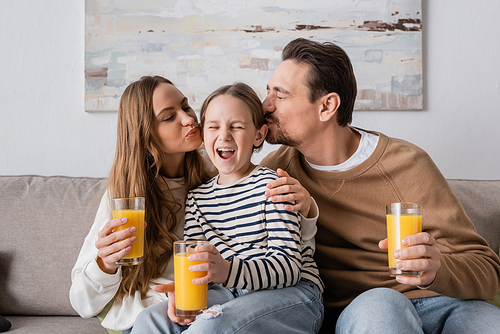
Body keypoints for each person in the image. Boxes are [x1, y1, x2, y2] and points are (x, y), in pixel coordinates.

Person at [259, 38, 500, 333]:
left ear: (327, 106)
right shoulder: (275, 172)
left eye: (279, 95)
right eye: (267, 91)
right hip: (368, 306)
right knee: (382, 306)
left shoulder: (405, 163)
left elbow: (487, 270)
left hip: (442, 301)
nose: (264, 106)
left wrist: (438, 268)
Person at [69, 76, 313, 333]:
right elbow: (82, 302)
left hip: (250, 289)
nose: (188, 119)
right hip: (166, 303)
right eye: (168, 117)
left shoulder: (221, 171)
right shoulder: (128, 197)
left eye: (185, 107)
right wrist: (104, 264)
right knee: (151, 322)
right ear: (145, 134)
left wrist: (305, 209)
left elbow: (289, 256)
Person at [132, 82, 324, 334]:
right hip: (229, 293)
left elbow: (288, 268)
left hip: (294, 293)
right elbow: (194, 266)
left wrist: (227, 271)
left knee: (211, 326)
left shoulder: (273, 186)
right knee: (150, 319)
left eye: (237, 126)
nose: (224, 135)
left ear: (259, 135)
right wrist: (184, 291)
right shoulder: (197, 198)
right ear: (204, 133)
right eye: (213, 126)